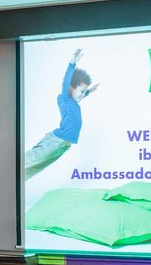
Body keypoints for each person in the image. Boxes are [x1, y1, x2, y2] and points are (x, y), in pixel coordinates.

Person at [25, 49, 98, 179]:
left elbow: (81, 95)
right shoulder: (65, 99)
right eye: (82, 91)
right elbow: (66, 83)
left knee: (37, 165)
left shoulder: (74, 102)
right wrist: (72, 63)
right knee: (32, 159)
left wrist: (89, 91)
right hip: (56, 141)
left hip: (63, 145)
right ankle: (10, 167)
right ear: (71, 88)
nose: (83, 95)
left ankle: (16, 178)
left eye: (84, 92)